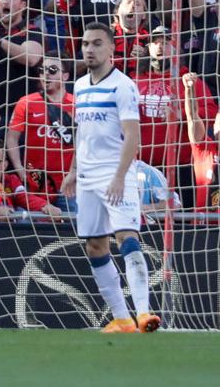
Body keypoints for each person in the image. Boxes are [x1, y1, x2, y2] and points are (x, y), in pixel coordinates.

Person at [67, 21, 157, 334]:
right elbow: (82, 133)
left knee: (127, 237)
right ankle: (122, 319)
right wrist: (73, 172)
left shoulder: (123, 85)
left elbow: (132, 135)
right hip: (89, 176)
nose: (89, 49)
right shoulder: (79, 86)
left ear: (111, 48)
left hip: (116, 171)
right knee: (94, 245)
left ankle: (144, 313)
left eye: (96, 43)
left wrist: (120, 175)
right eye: (86, 44)